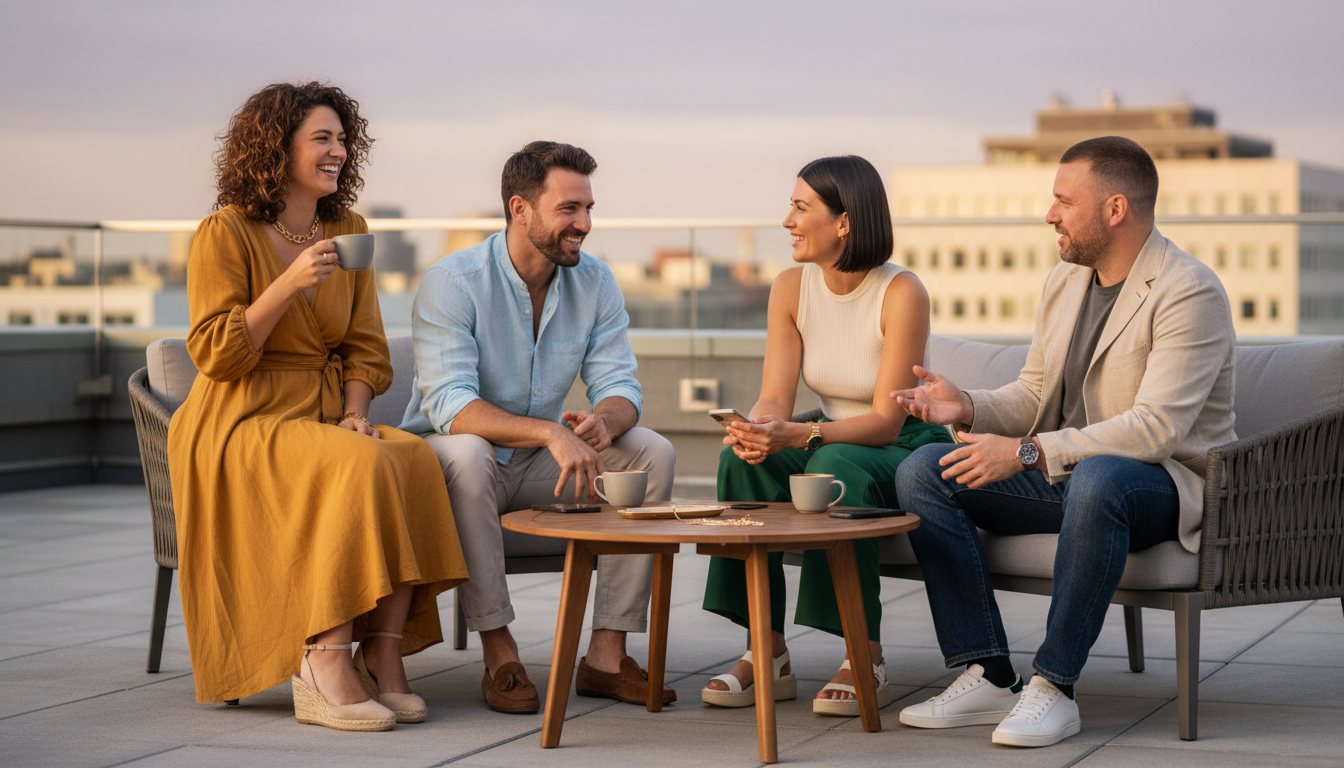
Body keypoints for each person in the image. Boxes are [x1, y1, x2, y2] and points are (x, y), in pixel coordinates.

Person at [892, 136, 1236, 747]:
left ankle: (1054, 686)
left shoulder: (1189, 290)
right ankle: (990, 672)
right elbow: (1033, 392)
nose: (1049, 214)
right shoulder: (1065, 281)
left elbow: (1156, 428)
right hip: (1071, 476)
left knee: (1102, 477)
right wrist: (967, 405)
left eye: (1063, 200)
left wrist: (1027, 452)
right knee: (924, 469)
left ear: (1115, 209)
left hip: (1162, 483)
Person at [167, 82, 469, 732]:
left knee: (413, 458)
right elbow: (216, 353)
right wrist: (289, 283)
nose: (337, 150)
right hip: (243, 417)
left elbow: (366, 347)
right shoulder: (224, 232)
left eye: (341, 139)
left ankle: (383, 658)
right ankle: (323, 658)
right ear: (277, 147)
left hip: (328, 411)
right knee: (356, 467)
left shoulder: (349, 229)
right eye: (321, 138)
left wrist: (357, 410)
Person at [401, 141, 677, 714]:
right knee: (470, 452)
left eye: (589, 208)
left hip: (531, 468)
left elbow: (623, 388)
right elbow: (451, 405)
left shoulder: (595, 281)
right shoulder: (453, 281)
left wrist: (603, 421)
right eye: (569, 209)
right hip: (450, 467)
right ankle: (499, 651)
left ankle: (605, 655)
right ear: (519, 209)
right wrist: (552, 433)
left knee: (651, 452)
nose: (585, 224)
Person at [700, 156, 952, 716]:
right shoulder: (790, 288)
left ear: (843, 222)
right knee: (743, 464)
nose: (787, 220)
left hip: (903, 447)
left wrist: (798, 436)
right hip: (830, 438)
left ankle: (865, 653)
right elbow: (776, 397)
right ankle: (766, 651)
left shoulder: (901, 291)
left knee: (833, 461)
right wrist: (758, 429)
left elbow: (887, 421)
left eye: (800, 207)